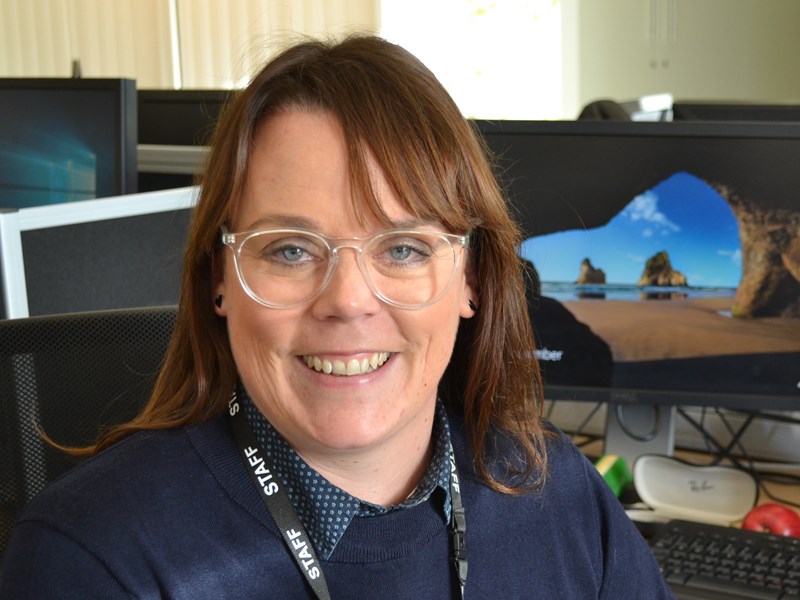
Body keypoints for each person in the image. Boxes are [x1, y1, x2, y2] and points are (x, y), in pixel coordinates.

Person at [0, 35, 672, 599]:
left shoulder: (553, 487)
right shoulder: (93, 559)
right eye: (290, 250)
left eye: (403, 248)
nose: (348, 301)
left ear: (471, 278)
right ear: (219, 280)